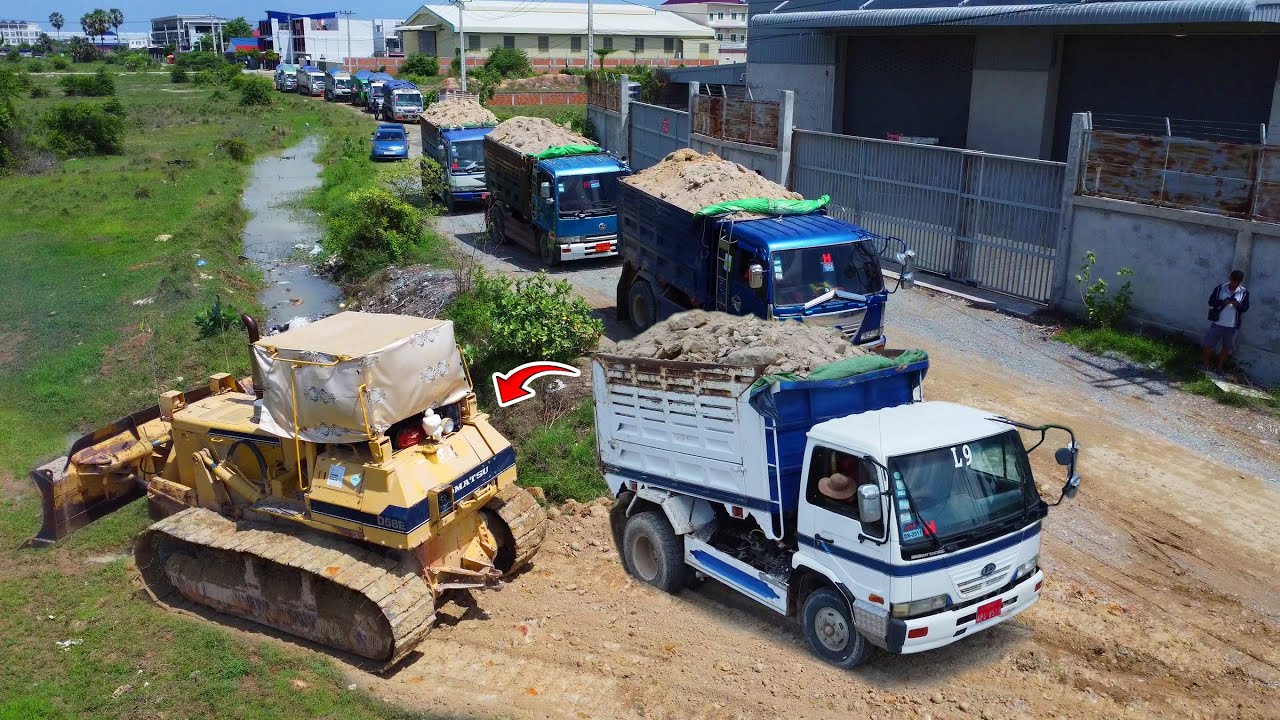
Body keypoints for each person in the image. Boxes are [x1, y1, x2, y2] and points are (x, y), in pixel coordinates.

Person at [1202, 270, 1250, 371]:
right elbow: (1211, 302)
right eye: (1233, 281)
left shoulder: (1244, 292)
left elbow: (1245, 308)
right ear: (1230, 278)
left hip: (1232, 326)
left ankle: (1220, 367)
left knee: (1226, 347)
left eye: (1237, 282)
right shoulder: (1220, 288)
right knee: (1208, 344)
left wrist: (1238, 305)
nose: (1234, 283)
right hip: (1217, 322)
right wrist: (1222, 302)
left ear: (1240, 282)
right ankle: (1206, 364)